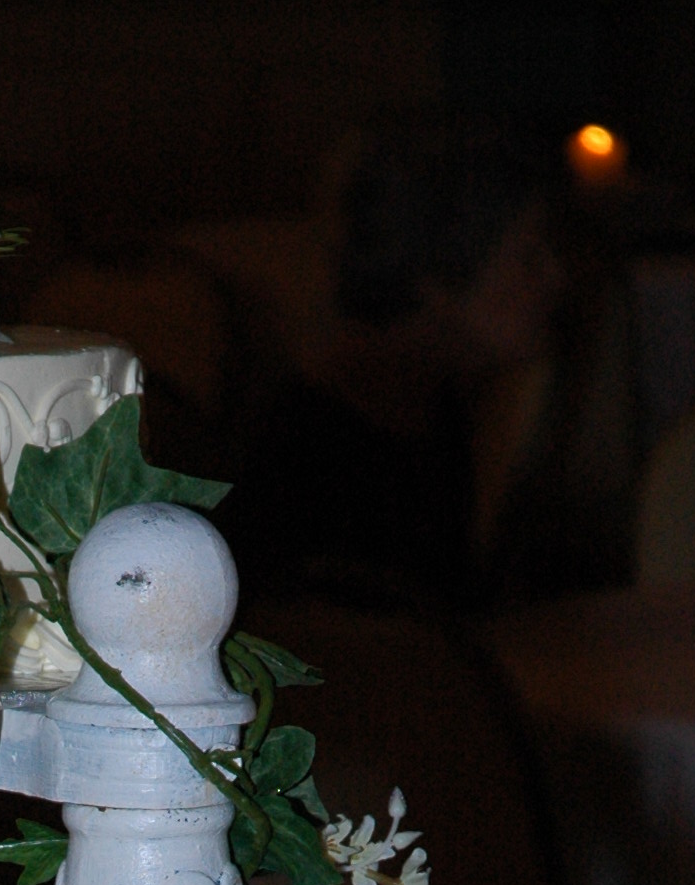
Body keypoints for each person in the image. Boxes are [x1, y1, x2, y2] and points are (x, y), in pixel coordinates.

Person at [239, 123, 564, 609]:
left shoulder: (426, 409)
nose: (556, 279)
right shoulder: (322, 455)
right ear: (438, 276)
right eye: (528, 258)